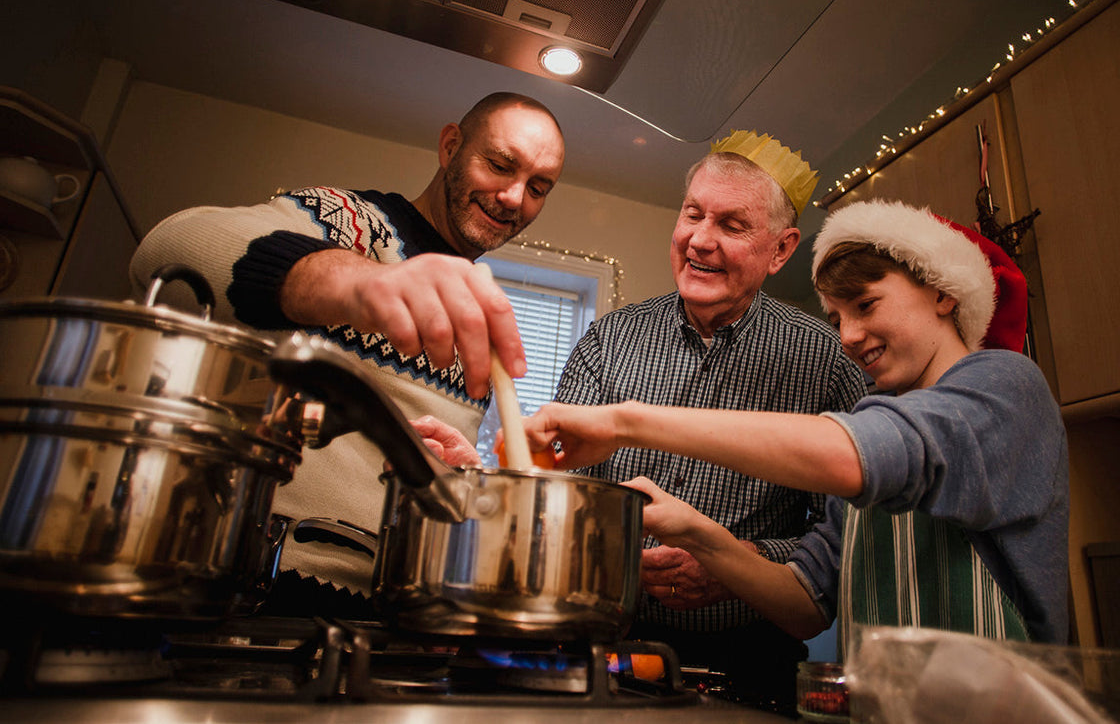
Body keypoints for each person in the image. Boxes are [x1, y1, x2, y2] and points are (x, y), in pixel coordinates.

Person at [524, 199, 1070, 657]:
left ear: (943, 292)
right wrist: (697, 533)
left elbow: (858, 456)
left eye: (865, 304)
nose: (849, 336)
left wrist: (625, 422)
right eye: (836, 319)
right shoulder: (868, 416)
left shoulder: (1004, 384)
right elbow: (805, 605)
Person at [128, 91, 565, 610]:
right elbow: (165, 251)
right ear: (450, 147)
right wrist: (357, 284)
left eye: (538, 187)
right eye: (499, 165)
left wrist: (461, 479)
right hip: (262, 584)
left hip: (393, 609)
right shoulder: (350, 226)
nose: (515, 198)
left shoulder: (477, 312)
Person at [552, 131, 866, 704]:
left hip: (752, 663)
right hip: (604, 649)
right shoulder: (608, 341)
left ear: (781, 249)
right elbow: (563, 490)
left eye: (732, 224)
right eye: (693, 214)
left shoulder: (827, 360)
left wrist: (738, 562)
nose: (700, 240)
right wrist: (619, 552)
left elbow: (845, 534)